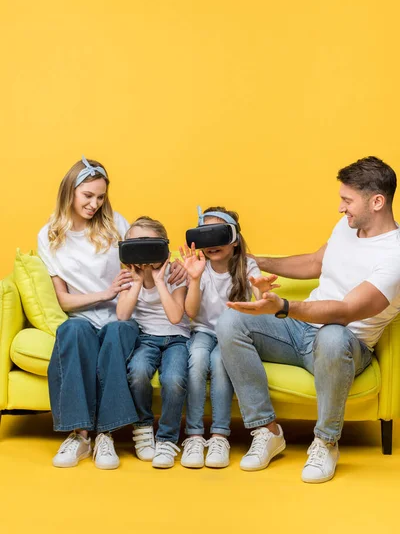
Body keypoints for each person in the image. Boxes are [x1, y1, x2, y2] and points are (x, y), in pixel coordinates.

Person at [216, 156, 400, 483]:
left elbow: (345, 312)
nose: (341, 208)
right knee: (231, 321)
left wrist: (284, 306)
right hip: (299, 331)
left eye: (347, 201)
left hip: (345, 344)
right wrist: (254, 260)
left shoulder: (395, 256)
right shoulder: (347, 227)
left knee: (332, 335)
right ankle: (266, 431)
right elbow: (315, 262)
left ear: (377, 201)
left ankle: (326, 442)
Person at [38, 157, 184, 469]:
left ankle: (106, 434)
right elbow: (63, 300)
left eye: (100, 197)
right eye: (87, 196)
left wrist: (176, 268)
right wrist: (104, 293)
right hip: (83, 316)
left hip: (122, 317)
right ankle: (79, 435)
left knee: (117, 331)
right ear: (70, 192)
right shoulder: (49, 235)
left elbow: (150, 259)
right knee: (70, 331)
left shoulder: (115, 223)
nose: (94, 204)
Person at [179, 206, 276, 469]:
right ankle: (195, 436)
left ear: (234, 240)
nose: (212, 244)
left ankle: (220, 435)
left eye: (219, 235)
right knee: (198, 359)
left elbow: (261, 308)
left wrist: (263, 291)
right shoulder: (198, 268)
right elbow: (189, 311)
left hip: (233, 337)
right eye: (205, 237)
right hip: (201, 331)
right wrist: (195, 279)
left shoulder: (248, 266)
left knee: (222, 364)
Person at [117, 217, 190, 469]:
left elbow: (175, 316)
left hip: (177, 339)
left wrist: (159, 280)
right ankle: (143, 427)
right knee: (136, 372)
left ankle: (168, 438)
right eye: (135, 245)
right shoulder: (128, 276)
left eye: (149, 245)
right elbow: (123, 315)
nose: (143, 252)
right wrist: (137, 281)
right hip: (146, 339)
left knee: (173, 379)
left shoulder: (176, 274)